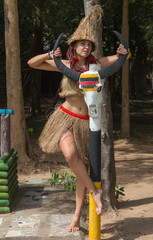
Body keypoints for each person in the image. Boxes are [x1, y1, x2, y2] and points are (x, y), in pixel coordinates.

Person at [27, 5, 128, 232]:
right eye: (81, 43)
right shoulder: (65, 66)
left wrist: (124, 51)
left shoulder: (96, 64)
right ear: (73, 46)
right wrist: (49, 54)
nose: (86, 46)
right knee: (72, 156)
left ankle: (76, 215)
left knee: (81, 168)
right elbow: (32, 63)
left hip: (87, 122)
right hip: (65, 118)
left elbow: (122, 56)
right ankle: (95, 192)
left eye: (89, 44)